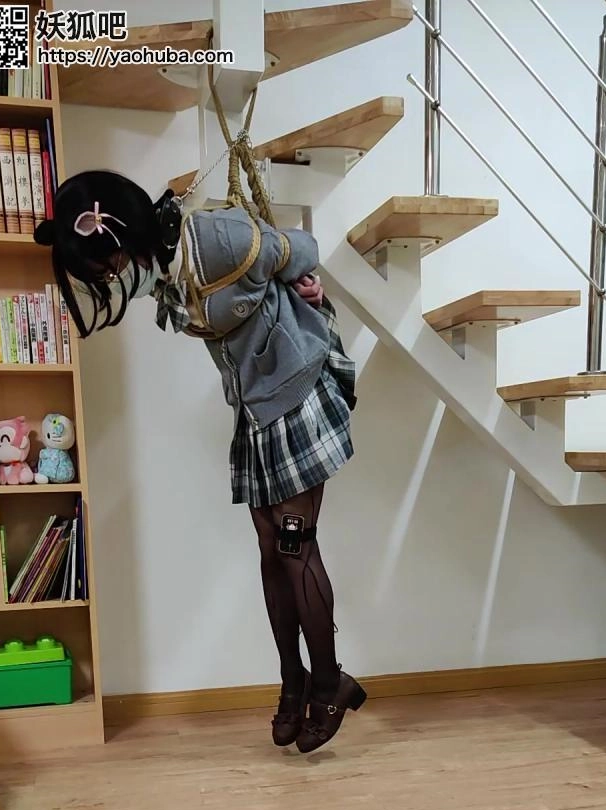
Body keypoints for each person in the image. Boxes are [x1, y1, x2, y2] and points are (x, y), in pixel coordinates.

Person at [34, 169, 366, 752]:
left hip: (298, 391)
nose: (109, 278)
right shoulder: (161, 266)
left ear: (124, 237)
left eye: (107, 264)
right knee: (271, 550)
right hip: (255, 411)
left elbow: (302, 248)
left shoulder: (219, 238)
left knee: (296, 547)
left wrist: (305, 283)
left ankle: (328, 681)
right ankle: (292, 682)